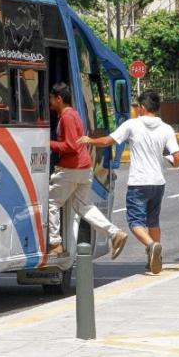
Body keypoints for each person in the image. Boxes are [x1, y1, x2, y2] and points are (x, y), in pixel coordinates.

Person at [78, 91, 179, 274]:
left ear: (142, 108)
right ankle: (156, 257)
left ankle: (151, 245)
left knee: (135, 221)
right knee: (153, 221)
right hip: (158, 182)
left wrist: (89, 140)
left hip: (138, 182)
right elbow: (178, 158)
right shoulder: (167, 129)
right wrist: (167, 159)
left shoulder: (132, 125)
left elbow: (108, 141)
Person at [47, 82, 128, 259]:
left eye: (52, 99)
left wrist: (46, 143)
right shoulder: (74, 114)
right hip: (84, 168)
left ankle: (54, 243)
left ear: (59, 99)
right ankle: (115, 233)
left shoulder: (67, 117)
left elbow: (70, 145)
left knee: (51, 203)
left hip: (71, 168)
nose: (50, 102)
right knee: (83, 206)